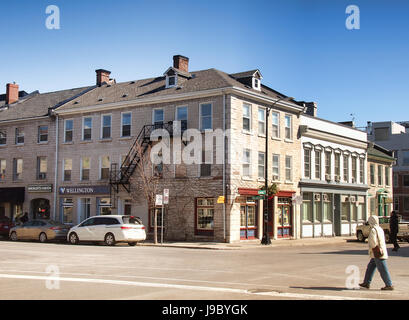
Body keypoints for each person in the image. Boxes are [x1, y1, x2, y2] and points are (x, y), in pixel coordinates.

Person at [359, 215, 394, 290]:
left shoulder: (373, 230)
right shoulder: (380, 228)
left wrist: (373, 249)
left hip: (377, 252)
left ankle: (389, 284)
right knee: (370, 267)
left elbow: (373, 242)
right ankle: (366, 282)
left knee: (382, 269)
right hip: (380, 250)